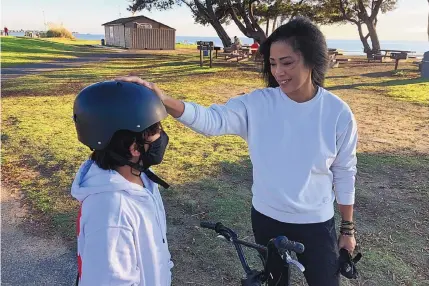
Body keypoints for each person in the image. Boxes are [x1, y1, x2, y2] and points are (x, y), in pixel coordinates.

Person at [116, 16, 358, 286]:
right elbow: (212, 120)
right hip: (267, 218)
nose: (278, 72)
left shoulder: (337, 114)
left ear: (313, 60)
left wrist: (347, 228)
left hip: (316, 223)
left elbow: (344, 171)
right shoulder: (257, 104)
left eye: (287, 62)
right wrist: (163, 99)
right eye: (273, 63)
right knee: (275, 282)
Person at [71, 81, 173, 285]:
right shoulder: (111, 212)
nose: (162, 136)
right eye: (156, 131)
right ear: (135, 148)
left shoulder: (141, 178)